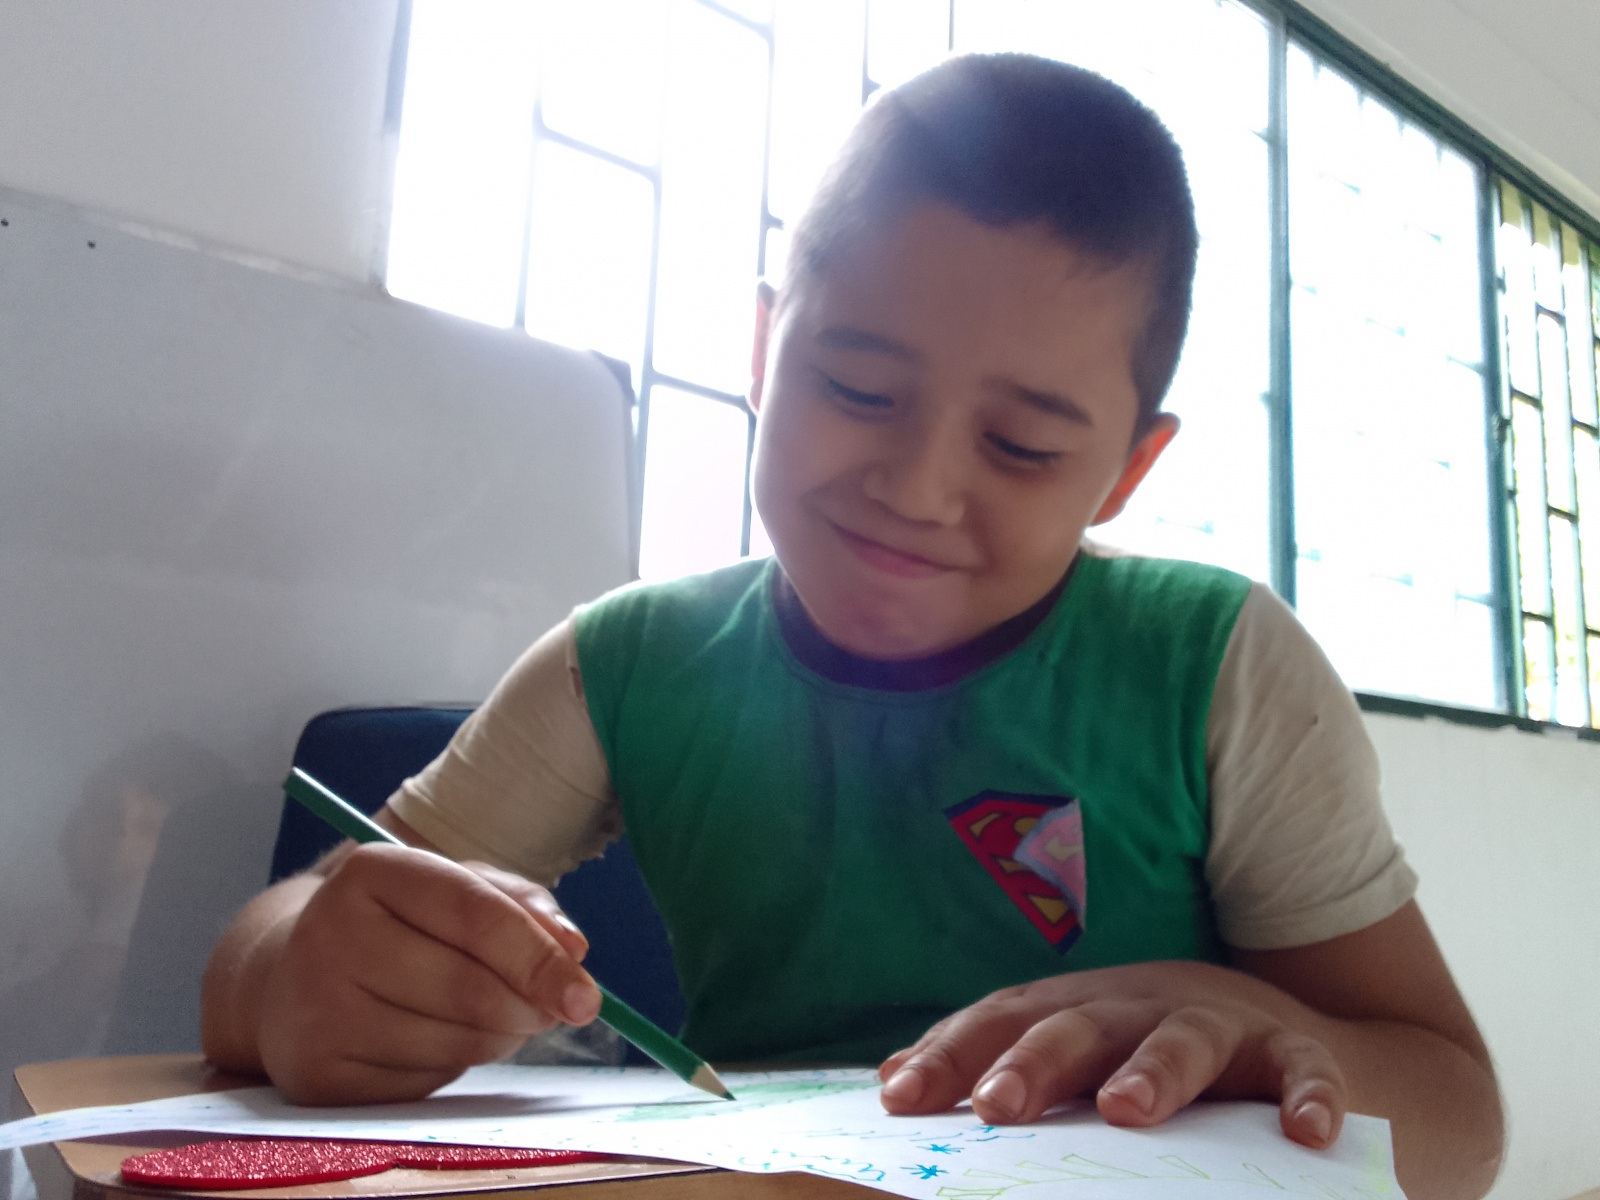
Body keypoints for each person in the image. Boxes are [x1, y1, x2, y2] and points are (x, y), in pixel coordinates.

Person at [201, 54, 1502, 1199]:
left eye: (1022, 444)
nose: (918, 489)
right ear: (765, 350)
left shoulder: (1214, 668)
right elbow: (272, 956)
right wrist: (297, 978)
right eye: (858, 386)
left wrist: (1263, 1028)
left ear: (1124, 473)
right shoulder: (628, 666)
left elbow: (1464, 1122)